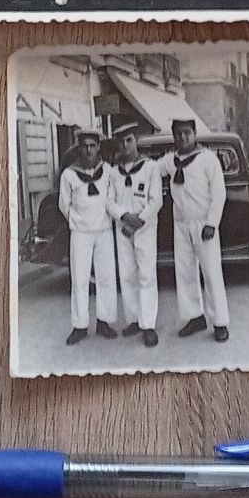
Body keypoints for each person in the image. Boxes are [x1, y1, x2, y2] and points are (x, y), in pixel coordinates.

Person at [156, 120, 229, 342]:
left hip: (203, 224)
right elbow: (151, 171)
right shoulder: (170, 160)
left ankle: (220, 322)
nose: (183, 138)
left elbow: (219, 193)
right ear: (174, 137)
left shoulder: (207, 159)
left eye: (187, 133)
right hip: (181, 225)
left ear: (195, 134)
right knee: (185, 273)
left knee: (211, 273)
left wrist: (211, 223)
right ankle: (195, 317)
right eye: (178, 134)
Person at [58, 126, 118, 345]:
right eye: (85, 146)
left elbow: (112, 198)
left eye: (93, 146)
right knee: (80, 279)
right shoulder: (69, 175)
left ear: (98, 147)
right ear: (79, 149)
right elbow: (65, 205)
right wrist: (78, 221)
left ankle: (104, 321)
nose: (89, 150)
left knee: (106, 277)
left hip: (103, 231)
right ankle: (80, 325)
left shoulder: (108, 171)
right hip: (81, 233)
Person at [106, 123, 162, 348]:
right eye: (121, 142)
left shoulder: (150, 167)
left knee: (147, 275)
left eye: (129, 140)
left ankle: (148, 325)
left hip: (145, 228)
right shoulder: (113, 171)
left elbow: (156, 200)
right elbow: (109, 202)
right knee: (127, 275)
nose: (125, 145)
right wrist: (124, 216)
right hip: (123, 228)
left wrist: (138, 221)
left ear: (136, 141)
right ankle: (134, 320)